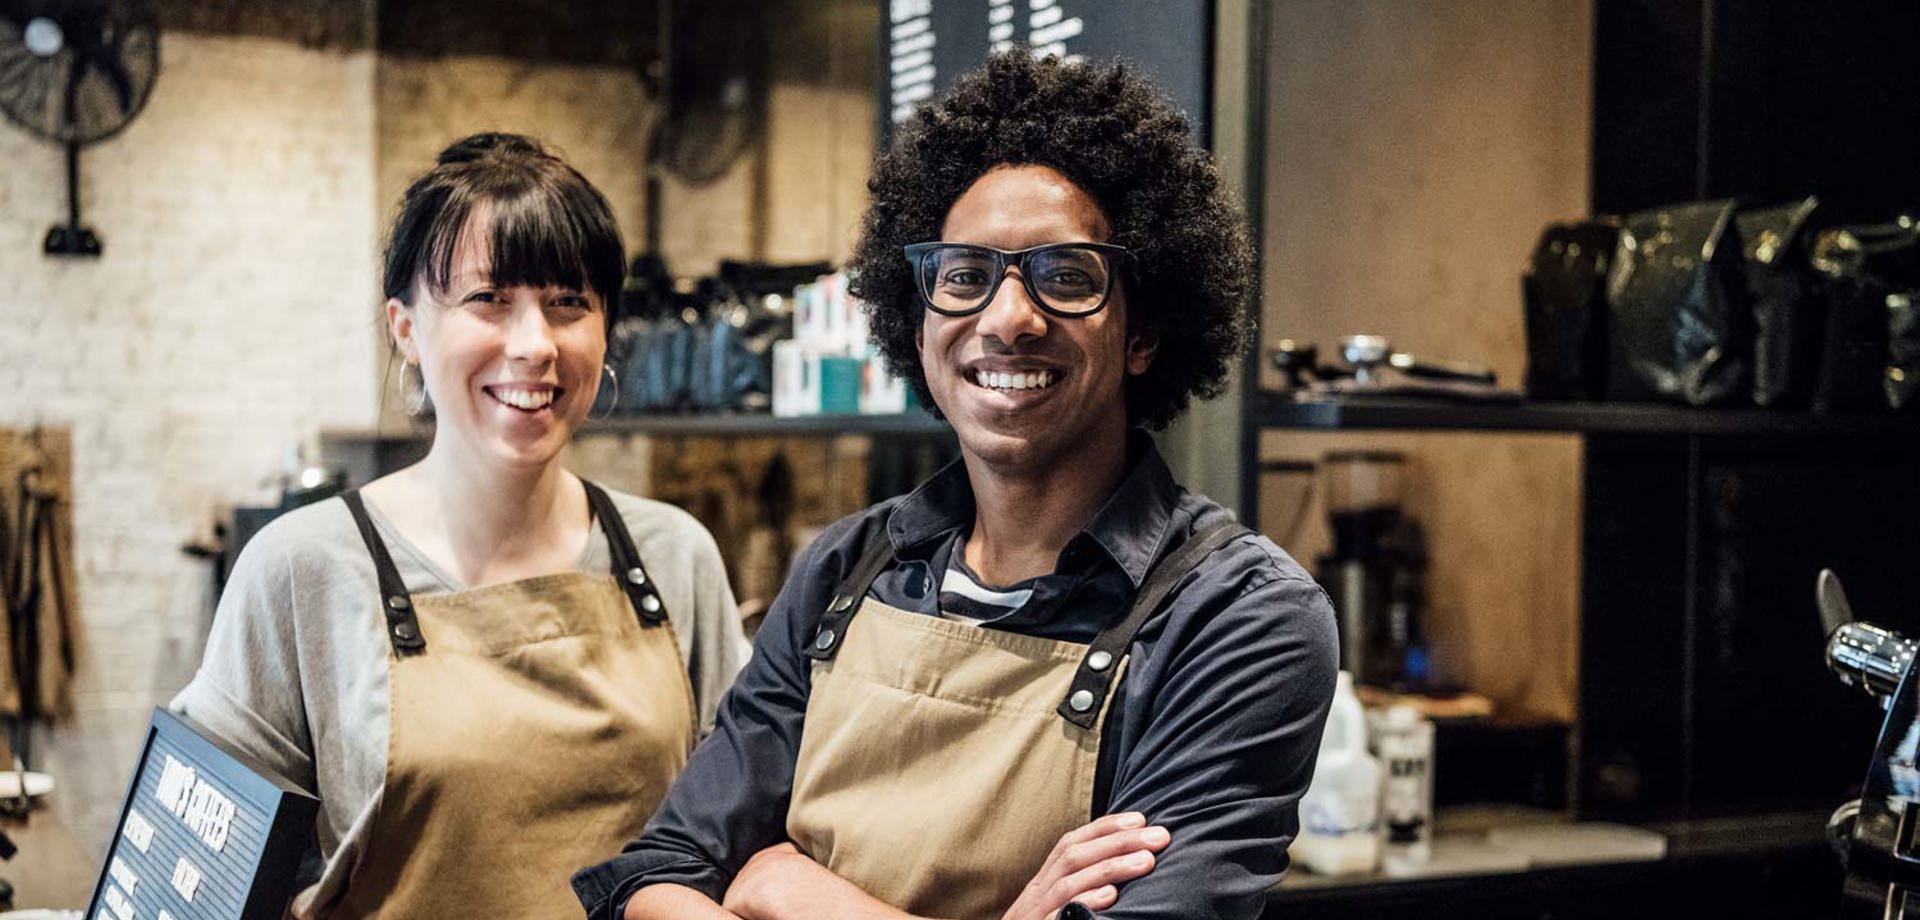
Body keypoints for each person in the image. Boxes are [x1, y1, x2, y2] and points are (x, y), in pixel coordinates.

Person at [573, 54, 1337, 920]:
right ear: (919, 317)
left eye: (1067, 275)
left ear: (1144, 332)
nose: (1009, 318)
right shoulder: (848, 569)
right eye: (966, 276)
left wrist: (787, 889)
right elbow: (658, 875)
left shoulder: (1239, 618)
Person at [172, 133, 748, 918]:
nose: (535, 344)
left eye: (568, 303)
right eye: (489, 300)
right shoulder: (301, 569)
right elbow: (197, 869)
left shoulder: (672, 555)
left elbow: (738, 830)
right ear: (405, 327)